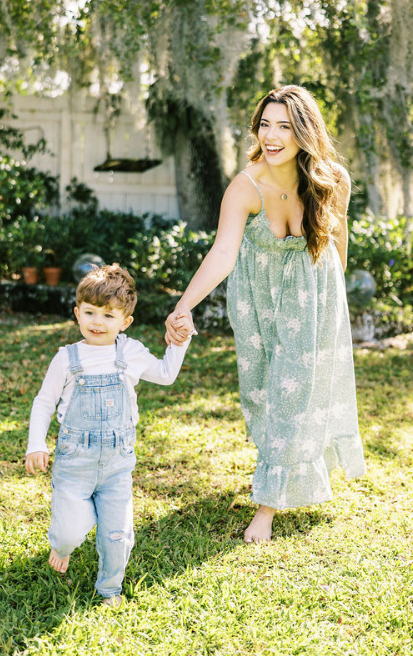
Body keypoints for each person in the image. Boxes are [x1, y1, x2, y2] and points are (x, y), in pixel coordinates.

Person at [164, 84, 365, 544]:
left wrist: (332, 299)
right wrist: (183, 306)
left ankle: (266, 510)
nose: (272, 136)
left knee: (294, 392)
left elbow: (339, 241)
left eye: (285, 126)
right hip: (259, 303)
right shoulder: (246, 186)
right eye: (265, 125)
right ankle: (291, 470)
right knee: (265, 393)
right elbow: (222, 254)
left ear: (305, 132)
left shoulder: (333, 178)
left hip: (314, 297)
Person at [25, 264, 192, 606]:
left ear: (125, 321)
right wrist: (36, 444)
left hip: (117, 465)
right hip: (75, 465)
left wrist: (180, 341)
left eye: (108, 315)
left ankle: (109, 589)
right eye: (89, 313)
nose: (97, 322)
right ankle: (64, 543)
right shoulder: (66, 358)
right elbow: (44, 402)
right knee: (69, 533)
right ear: (76, 313)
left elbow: (165, 374)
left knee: (119, 536)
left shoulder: (129, 352)